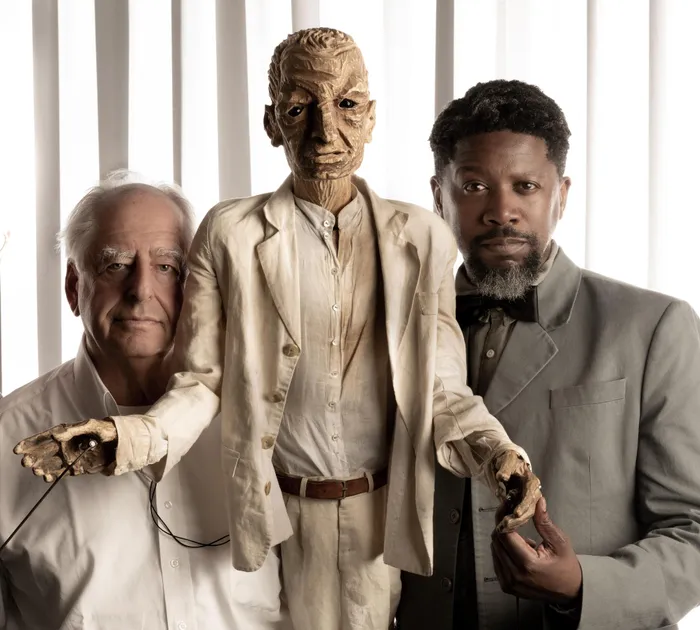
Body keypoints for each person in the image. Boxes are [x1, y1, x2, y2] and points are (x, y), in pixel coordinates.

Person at [13, 31, 542, 630]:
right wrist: (127, 439)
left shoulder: (423, 238)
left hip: (379, 520)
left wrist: (498, 454)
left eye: (346, 105)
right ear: (271, 123)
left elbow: (442, 389)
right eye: (298, 109)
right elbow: (203, 382)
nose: (325, 131)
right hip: (274, 517)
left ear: (371, 118)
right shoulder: (229, 234)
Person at [396, 79, 700, 629]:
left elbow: (693, 530)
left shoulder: (654, 327)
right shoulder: (395, 329)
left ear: (561, 194)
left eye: (526, 186)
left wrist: (582, 584)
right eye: (474, 186)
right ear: (439, 198)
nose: (502, 211)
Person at [0, 173, 290, 630]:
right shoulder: (7, 438)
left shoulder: (266, 415)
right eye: (115, 265)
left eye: (167, 267)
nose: (141, 290)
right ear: (74, 287)